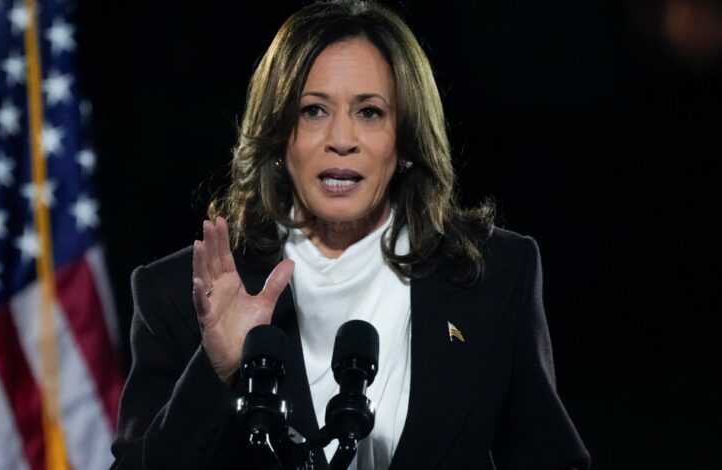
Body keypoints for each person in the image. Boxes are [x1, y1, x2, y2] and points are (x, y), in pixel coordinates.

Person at [110, 1, 590, 468]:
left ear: (405, 140)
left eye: (369, 112)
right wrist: (216, 372)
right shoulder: (176, 295)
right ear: (279, 137)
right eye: (314, 111)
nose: (341, 138)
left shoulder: (495, 275)